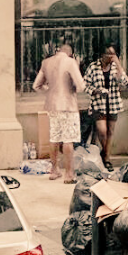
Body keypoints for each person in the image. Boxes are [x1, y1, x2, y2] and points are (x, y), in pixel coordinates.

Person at [32, 42, 84, 183]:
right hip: (68, 105)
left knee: (54, 138)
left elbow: (36, 85)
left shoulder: (46, 62)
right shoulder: (70, 62)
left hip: (51, 105)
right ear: (70, 53)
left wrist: (49, 90)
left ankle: (54, 170)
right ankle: (69, 174)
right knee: (68, 139)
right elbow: (81, 86)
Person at [84, 45, 128, 170]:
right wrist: (95, 91)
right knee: (102, 131)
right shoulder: (93, 67)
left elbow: (124, 81)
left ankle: (106, 158)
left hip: (113, 103)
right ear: (101, 54)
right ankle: (105, 153)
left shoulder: (115, 67)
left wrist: (119, 65)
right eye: (108, 54)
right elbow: (85, 85)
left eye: (112, 54)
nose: (110, 57)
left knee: (110, 132)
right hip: (98, 104)